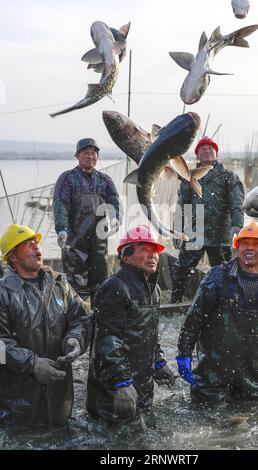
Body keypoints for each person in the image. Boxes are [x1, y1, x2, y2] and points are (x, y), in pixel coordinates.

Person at [176, 221, 258, 403]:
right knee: (208, 421)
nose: (249, 249)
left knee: (256, 423)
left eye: (256, 244)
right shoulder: (217, 278)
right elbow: (194, 319)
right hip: (214, 376)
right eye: (245, 244)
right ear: (237, 248)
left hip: (255, 378)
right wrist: (184, 352)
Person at [0, 224, 91, 426]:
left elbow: (81, 318)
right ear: (13, 257)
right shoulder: (3, 292)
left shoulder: (60, 284)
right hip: (17, 406)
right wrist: (32, 363)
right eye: (28, 244)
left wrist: (75, 339)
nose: (36, 246)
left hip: (59, 399)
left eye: (36, 242)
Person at [86, 224, 175, 426]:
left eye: (155, 251)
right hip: (115, 390)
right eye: (144, 249)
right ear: (126, 256)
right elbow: (107, 340)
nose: (152, 254)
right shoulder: (114, 287)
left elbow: (150, 335)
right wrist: (121, 382)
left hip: (141, 387)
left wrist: (159, 362)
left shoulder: (154, 290)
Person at [171, 136, 245, 303]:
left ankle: (226, 304)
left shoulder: (228, 176)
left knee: (226, 273)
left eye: (211, 148)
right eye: (202, 148)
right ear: (198, 155)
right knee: (181, 270)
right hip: (194, 232)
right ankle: (174, 304)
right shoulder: (189, 176)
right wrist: (177, 229)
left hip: (221, 234)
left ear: (216, 154)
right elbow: (182, 205)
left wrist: (237, 225)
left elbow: (236, 203)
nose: (207, 150)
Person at [53, 137, 123, 301]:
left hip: (99, 241)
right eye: (86, 152)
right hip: (74, 241)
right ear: (77, 155)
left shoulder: (105, 180)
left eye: (94, 153)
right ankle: (78, 318)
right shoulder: (67, 178)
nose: (90, 156)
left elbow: (115, 203)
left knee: (100, 281)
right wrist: (61, 229)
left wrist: (116, 219)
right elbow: (60, 205)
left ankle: (99, 318)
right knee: (76, 284)